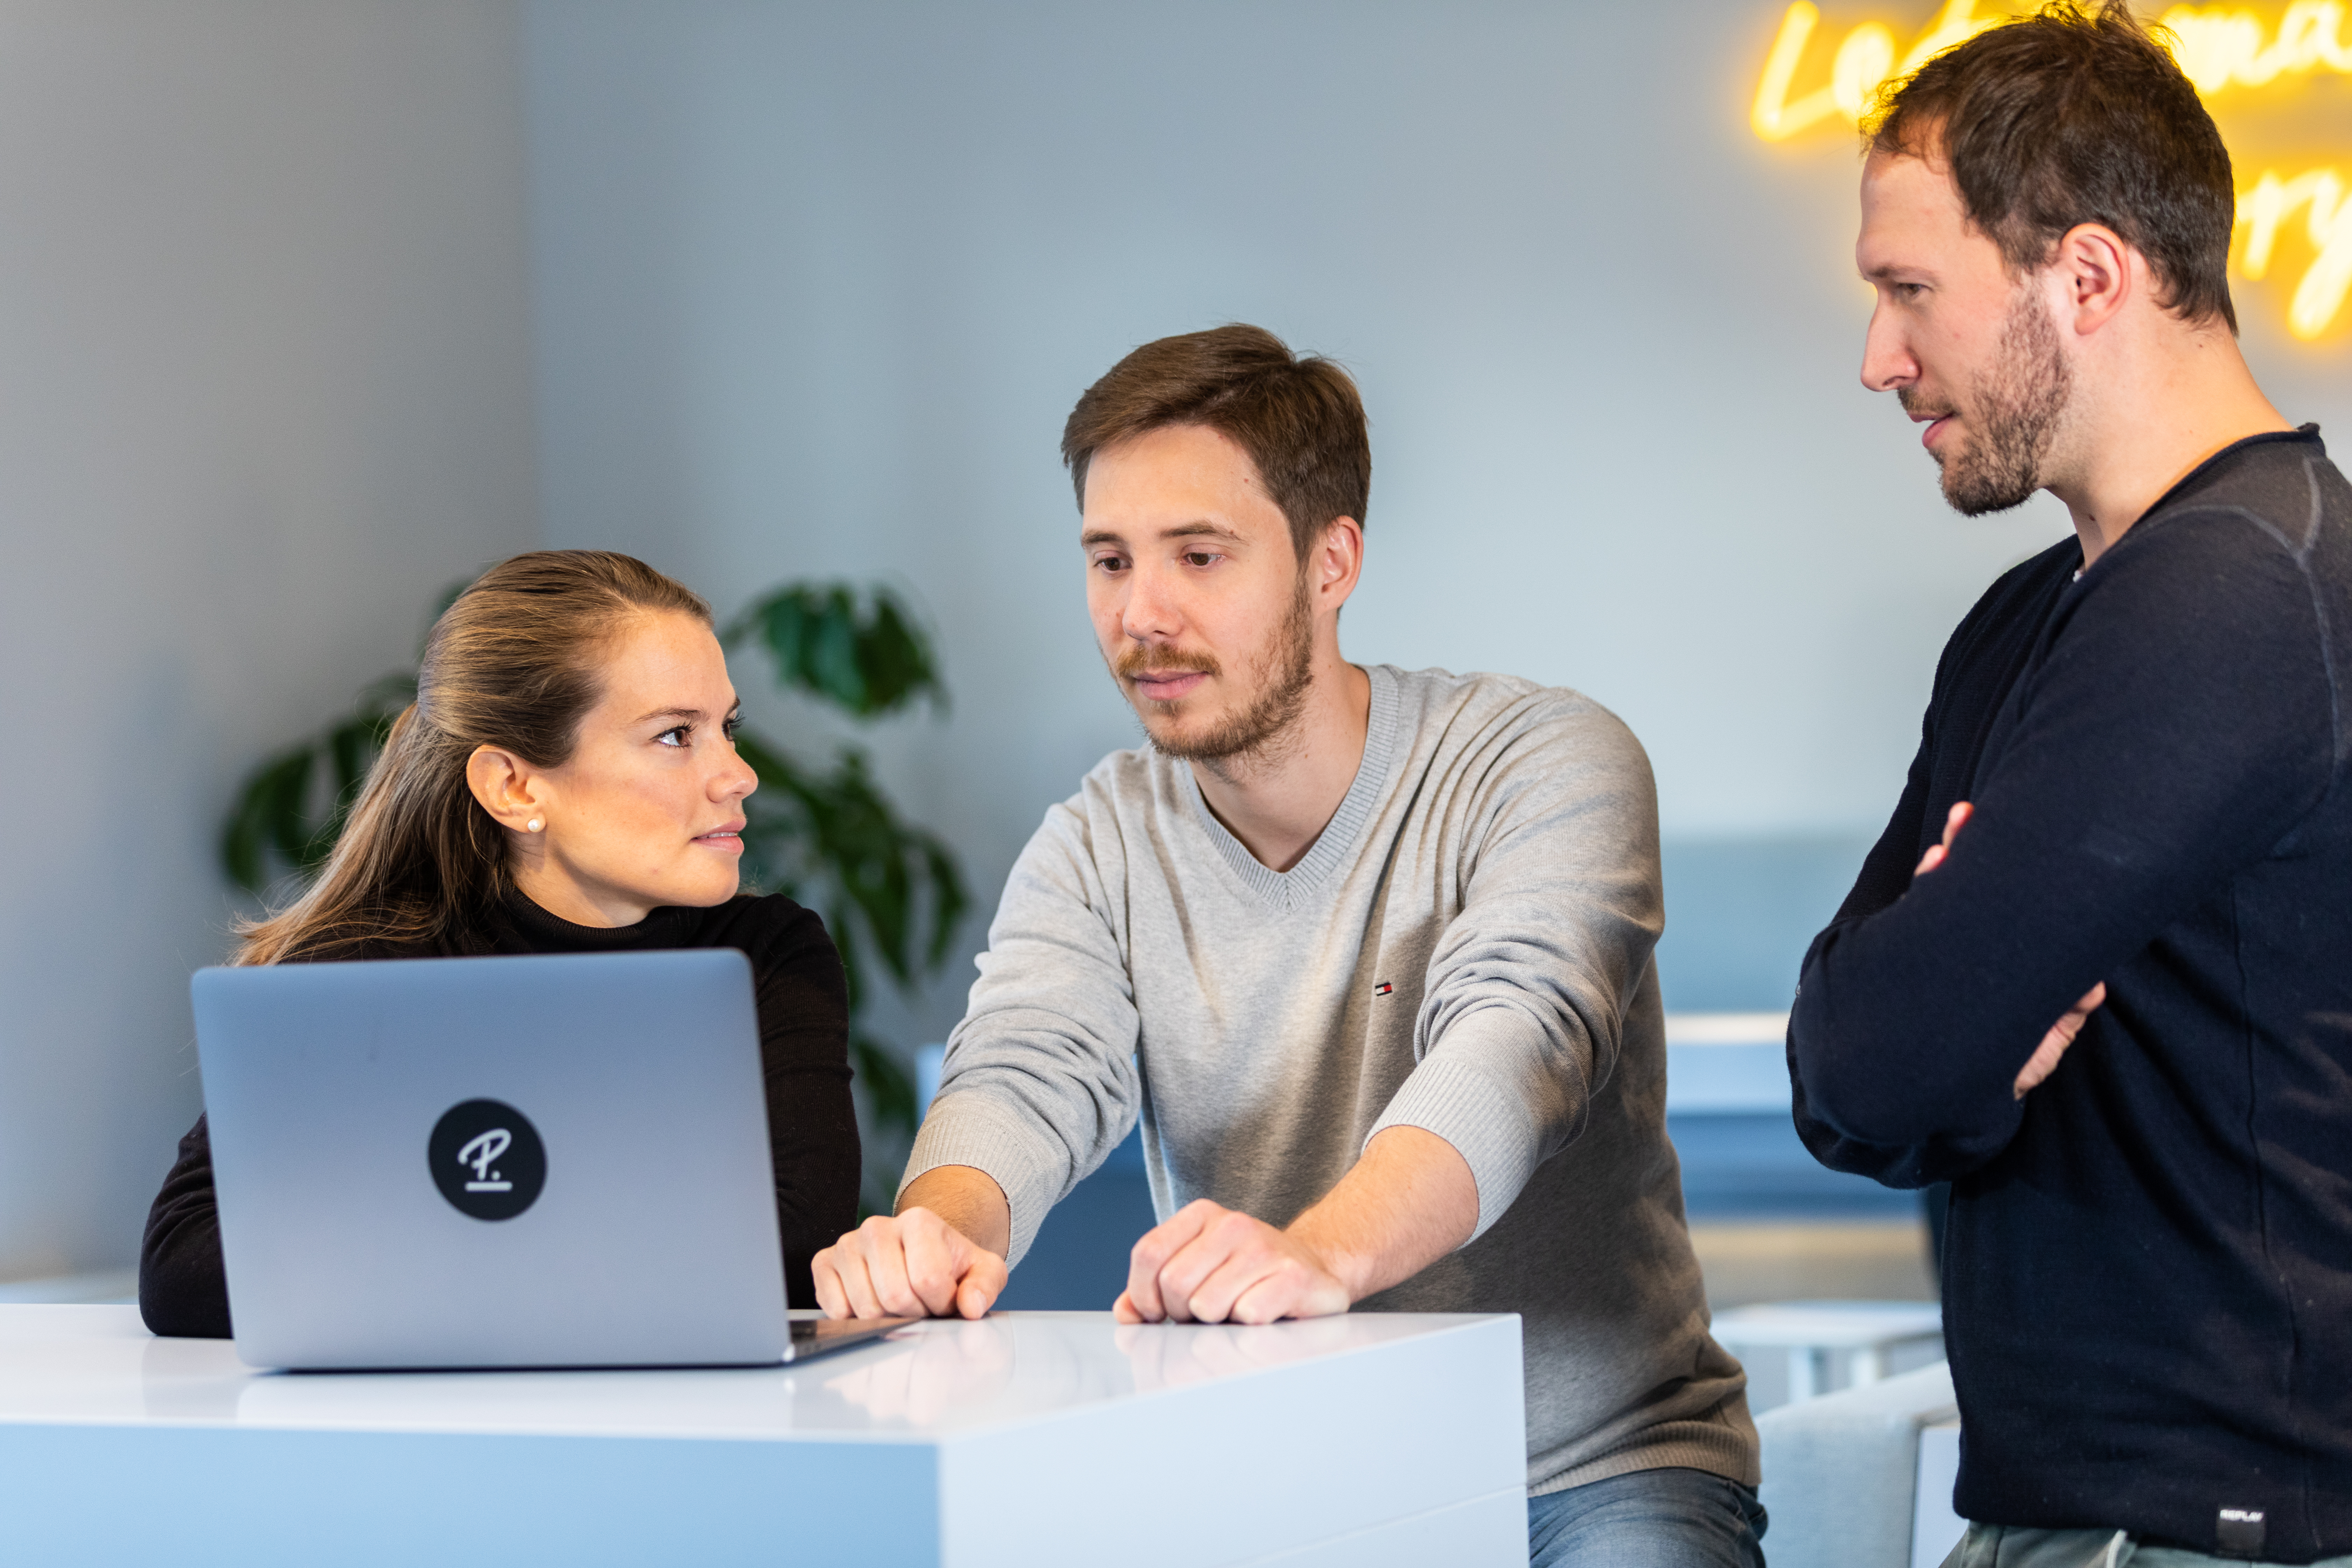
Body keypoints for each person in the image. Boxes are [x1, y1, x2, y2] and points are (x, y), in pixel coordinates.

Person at [813, 325, 1765, 1566]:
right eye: (1109, 560)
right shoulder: (1098, 841)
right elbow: (1022, 1068)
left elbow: (1516, 1048)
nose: (1142, 615)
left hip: (1589, 1472)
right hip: (1293, 1475)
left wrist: (1318, 1252)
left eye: (1199, 557)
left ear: (1333, 562)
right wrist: (942, 1230)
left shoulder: (1541, 759)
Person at [1787, 6, 2352, 1564]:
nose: (1877, 360)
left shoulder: (2241, 590)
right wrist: (1945, 1031)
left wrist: (1944, 1031)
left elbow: (1893, 1057)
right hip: (2073, 1512)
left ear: (2089, 277)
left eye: (1912, 292)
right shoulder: (2031, 617)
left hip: (2222, 1526)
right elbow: (1841, 1065)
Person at [140, 550, 860, 1335]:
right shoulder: (362, 969)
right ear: (514, 786)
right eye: (677, 735)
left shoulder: (770, 956)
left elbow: (797, 1243)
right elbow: (186, 1266)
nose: (739, 774)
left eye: (728, 727)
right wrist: (636, 1239)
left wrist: (438, 1232)